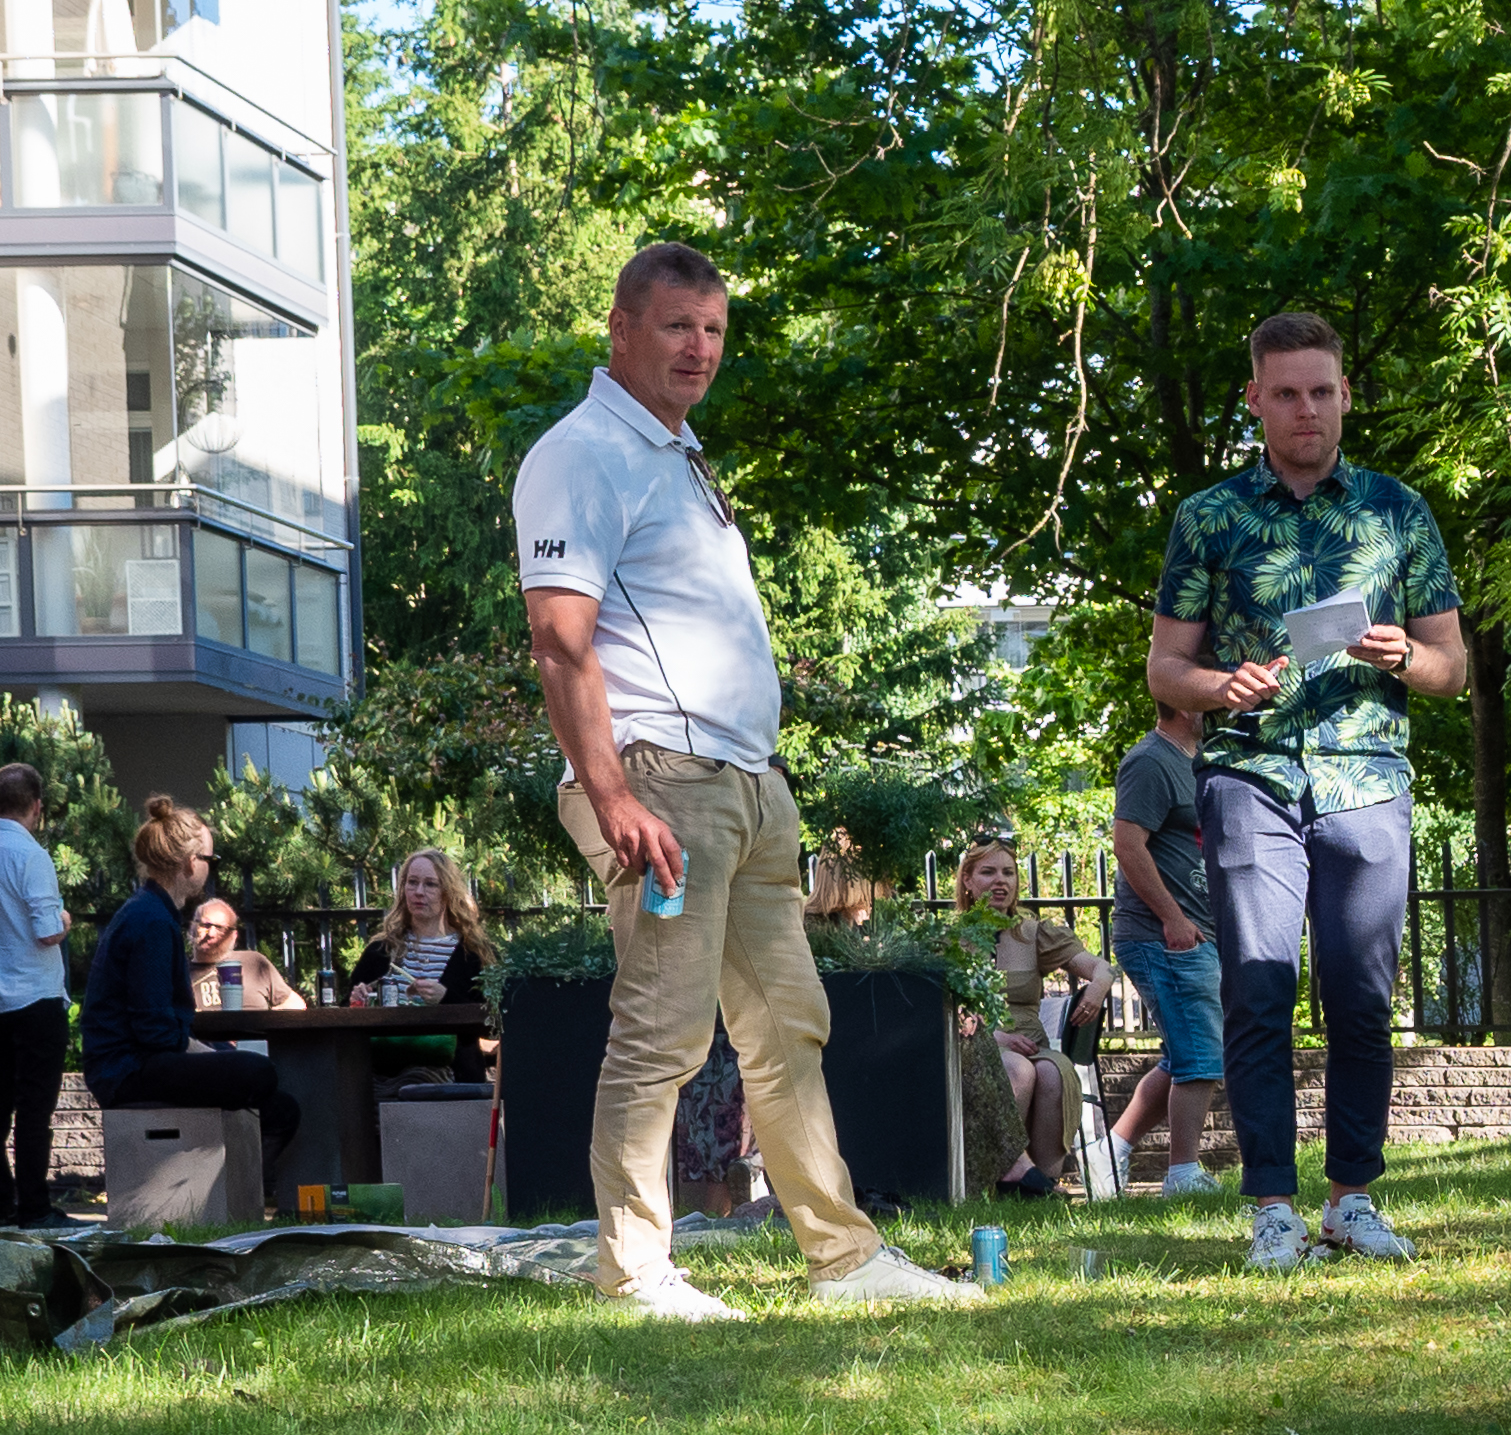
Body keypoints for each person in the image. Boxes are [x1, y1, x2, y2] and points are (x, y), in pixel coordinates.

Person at [512, 237, 979, 1317]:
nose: (700, 348)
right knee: (663, 1031)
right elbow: (558, 638)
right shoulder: (583, 452)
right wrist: (615, 794)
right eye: (678, 325)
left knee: (788, 1023)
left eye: (715, 330)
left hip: (748, 788)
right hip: (662, 781)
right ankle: (633, 1273)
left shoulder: (676, 451)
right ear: (621, 329)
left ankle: (844, 1259)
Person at [1145, 310, 1467, 1270]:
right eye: (1285, 393)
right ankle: (1272, 1212)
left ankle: (1353, 1200)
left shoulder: (1397, 510)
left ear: (1344, 397)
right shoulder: (1210, 517)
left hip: (1368, 776)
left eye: (1321, 391)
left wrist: (1407, 653)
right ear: (1255, 400)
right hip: (1250, 771)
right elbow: (1166, 667)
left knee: (1364, 995)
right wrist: (1219, 688)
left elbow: (1452, 666)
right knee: (1258, 986)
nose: (1306, 410)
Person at [79, 796, 301, 1174]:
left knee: (281, 1107)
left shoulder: (149, 911)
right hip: (127, 1070)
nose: (211, 871)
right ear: (189, 863)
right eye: (211, 861)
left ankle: (238, 1192)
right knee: (257, 1072)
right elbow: (156, 1031)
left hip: (128, 1065)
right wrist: (215, 1060)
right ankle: (225, 1187)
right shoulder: (150, 920)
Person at [1105, 699, 1226, 1195]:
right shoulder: (1150, 761)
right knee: (1201, 1054)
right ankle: (1182, 1173)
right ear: (1182, 700)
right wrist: (1173, 919)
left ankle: (1110, 1151)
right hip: (1163, 934)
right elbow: (1127, 843)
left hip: (1191, 932)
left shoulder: (1199, 759)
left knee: (1184, 1055)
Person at [0, 761, 75, 1230]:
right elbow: (46, 932)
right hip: (38, 998)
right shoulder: (32, 857)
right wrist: (65, 922)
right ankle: (35, 1207)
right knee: (35, 1109)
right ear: (38, 808)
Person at [954, 839, 1109, 1198]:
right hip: (978, 1045)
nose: (1001, 881)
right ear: (967, 879)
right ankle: (1003, 1177)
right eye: (988, 872)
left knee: (1053, 1071)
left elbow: (1100, 967)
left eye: (1008, 872)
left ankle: (1043, 1183)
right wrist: (995, 1038)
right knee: (1019, 1070)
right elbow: (947, 1010)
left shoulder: (1033, 934)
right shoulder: (951, 941)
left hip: (1032, 1042)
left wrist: (1099, 987)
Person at [349, 848, 497, 1081]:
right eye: (412, 882)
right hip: (379, 1077)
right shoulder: (380, 952)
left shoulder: (473, 953)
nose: (419, 892)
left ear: (447, 892)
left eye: (430, 884)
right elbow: (344, 1014)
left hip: (452, 1077)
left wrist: (445, 999)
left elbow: (493, 1023)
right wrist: (357, 1000)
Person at [185, 900, 305, 1012]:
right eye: (205, 925)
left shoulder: (253, 963)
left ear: (234, 935)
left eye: (220, 928)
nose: (211, 933)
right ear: (193, 927)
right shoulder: (178, 972)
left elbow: (296, 1004)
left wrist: (266, 1019)